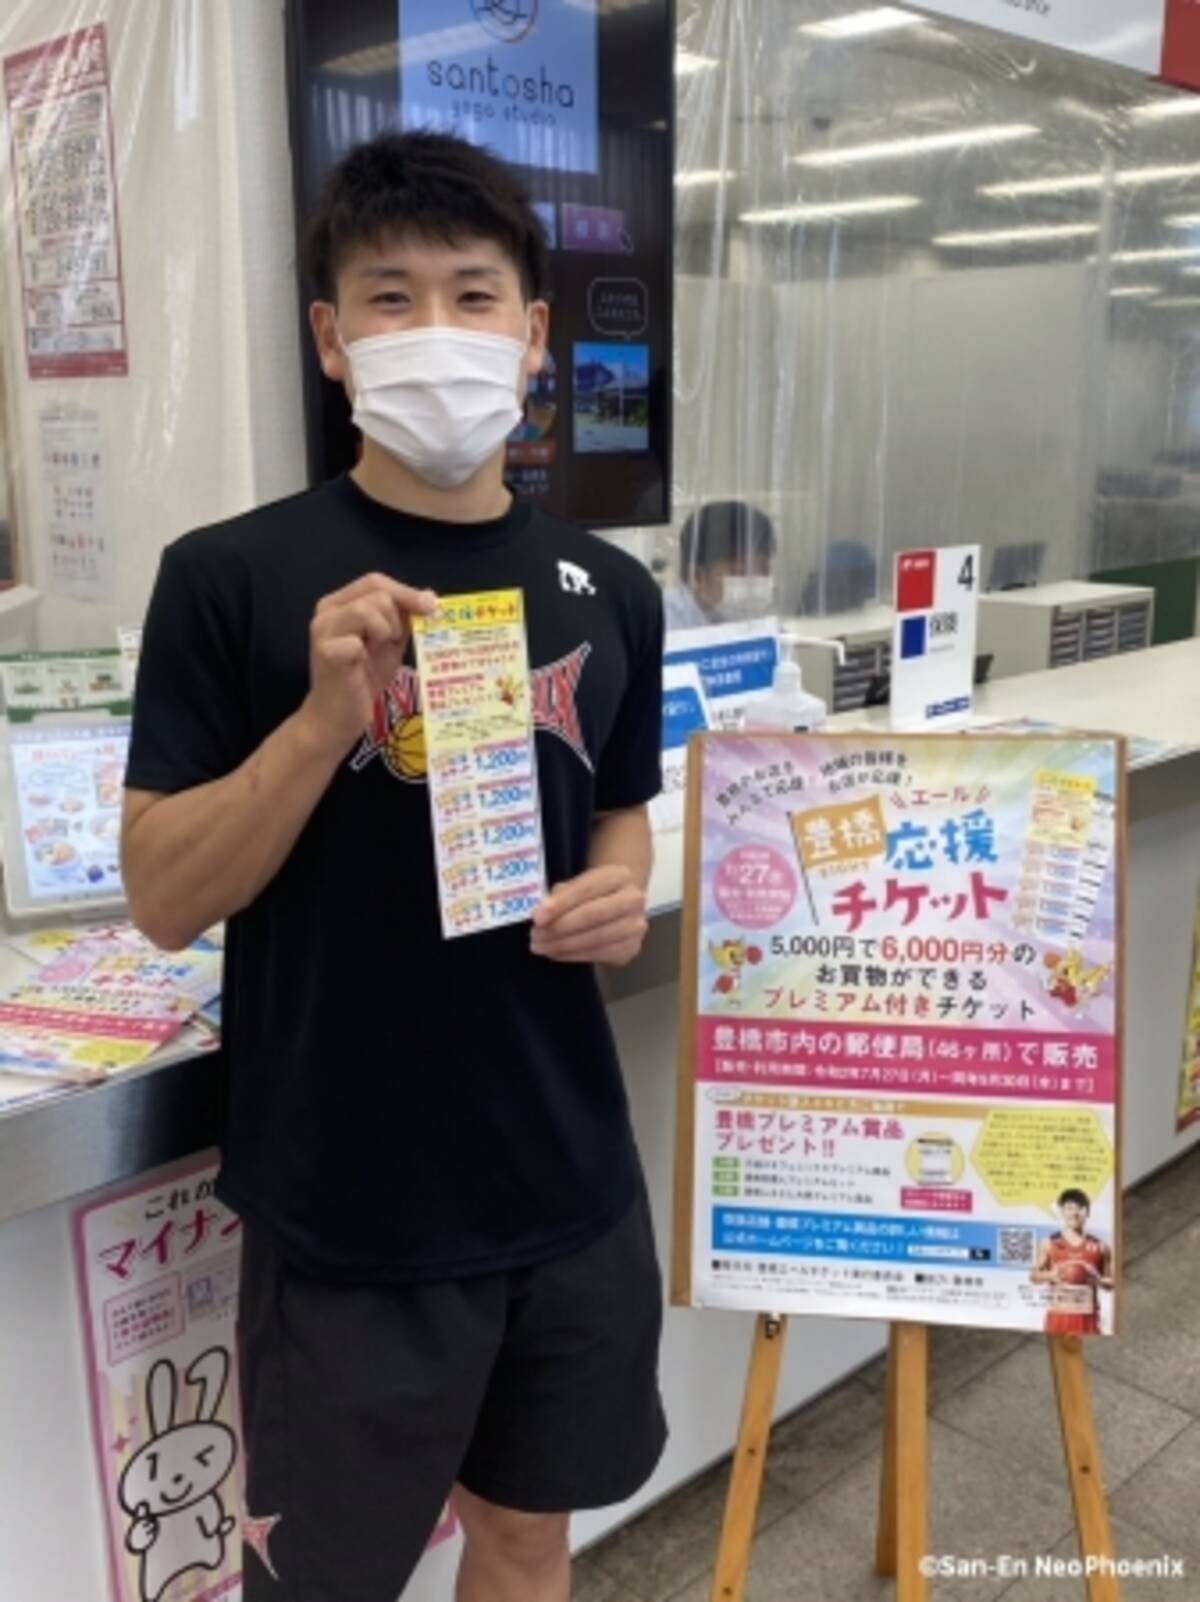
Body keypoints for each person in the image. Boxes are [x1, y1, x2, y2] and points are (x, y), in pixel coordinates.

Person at [121, 131, 667, 1602]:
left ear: (534, 335)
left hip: (568, 1177)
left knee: (528, 1537)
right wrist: (320, 720)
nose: (437, 330)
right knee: (327, 1582)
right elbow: (164, 893)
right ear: (331, 337)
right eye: (390, 297)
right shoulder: (228, 577)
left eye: (473, 296)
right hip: (349, 1204)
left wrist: (620, 886)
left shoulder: (611, 588)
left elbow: (621, 808)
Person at [663, 499, 777, 629]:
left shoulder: (750, 617)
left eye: (763, 570)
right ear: (697, 577)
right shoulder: (664, 621)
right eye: (740, 571)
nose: (752, 582)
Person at [1030, 1188, 1114, 1336]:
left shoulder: (1101, 1247)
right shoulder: (1049, 1243)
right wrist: (1051, 1275)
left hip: (1087, 1318)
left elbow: (1111, 1283)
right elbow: (1034, 1276)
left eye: (1080, 1208)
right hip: (1059, 1316)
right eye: (1069, 1208)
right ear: (1062, 1212)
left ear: (1087, 1212)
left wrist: (1098, 1280)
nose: (1074, 1213)